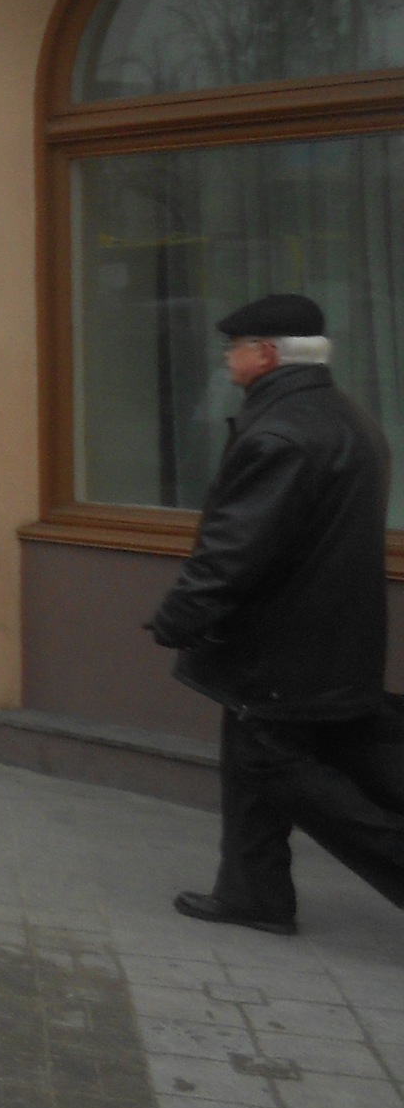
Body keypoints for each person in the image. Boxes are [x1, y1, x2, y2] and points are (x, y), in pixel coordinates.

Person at [151, 294, 403, 935]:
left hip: (282, 644)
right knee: (253, 753)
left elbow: (235, 548)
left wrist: (181, 615)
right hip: (329, 637)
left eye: (233, 348)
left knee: (274, 764)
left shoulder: (280, 434)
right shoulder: (346, 416)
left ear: (265, 355)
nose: (226, 358)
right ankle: (252, 894)